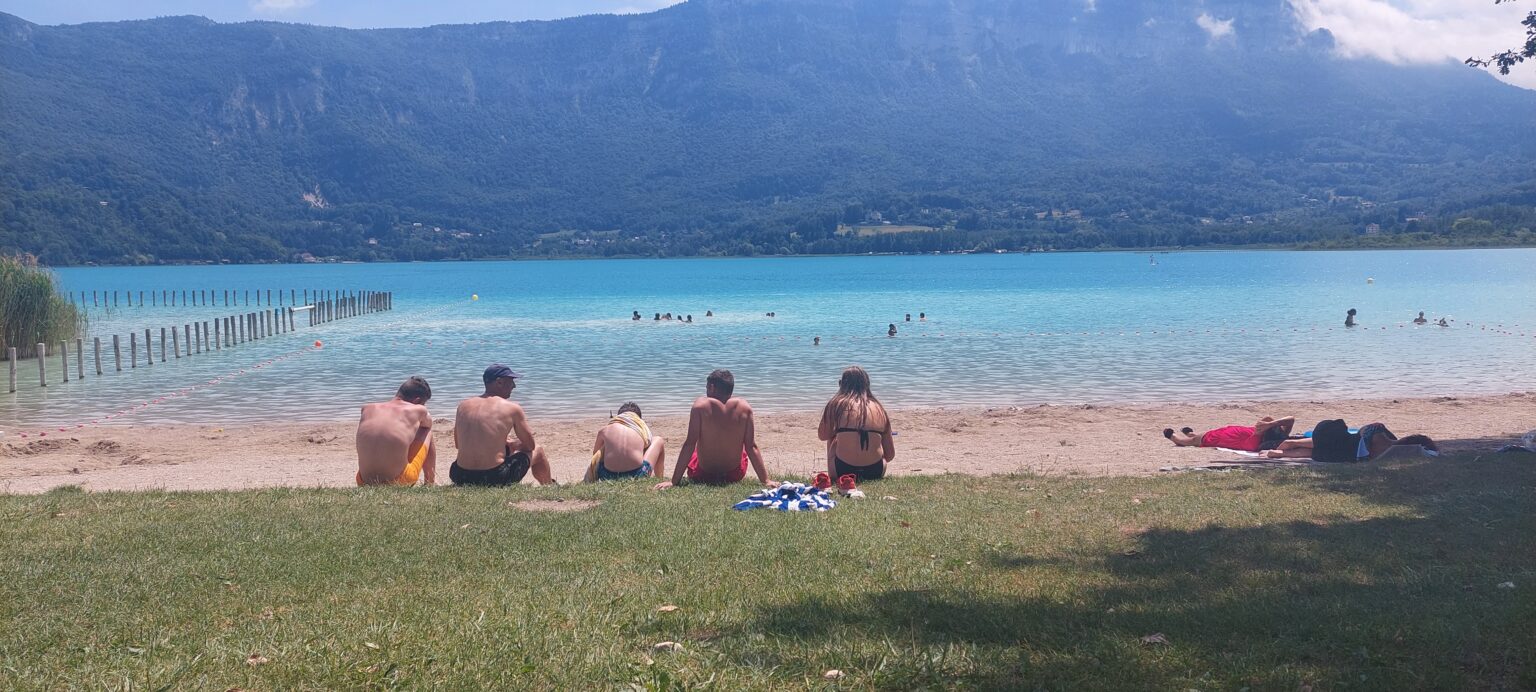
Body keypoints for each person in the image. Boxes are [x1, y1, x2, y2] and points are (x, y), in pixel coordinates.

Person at [655, 369, 773, 489]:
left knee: (695, 450)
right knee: (741, 448)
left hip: (702, 474)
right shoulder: (745, 408)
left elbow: (689, 444)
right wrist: (766, 480)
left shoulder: (700, 407)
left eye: (707, 388)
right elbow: (751, 447)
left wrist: (674, 481)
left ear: (711, 387)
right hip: (734, 475)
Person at [450, 365, 555, 486]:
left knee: (503, 450)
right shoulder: (512, 408)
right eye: (511, 382)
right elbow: (529, 446)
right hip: (494, 477)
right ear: (499, 382)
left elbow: (458, 445)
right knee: (538, 450)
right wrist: (513, 444)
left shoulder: (463, 406)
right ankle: (549, 486)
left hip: (459, 475)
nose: (514, 386)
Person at [818, 366, 895, 482]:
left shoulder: (836, 404)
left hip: (842, 471)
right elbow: (890, 455)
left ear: (841, 384)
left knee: (832, 436)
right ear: (867, 385)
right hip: (875, 471)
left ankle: (833, 476)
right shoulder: (879, 408)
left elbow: (823, 435)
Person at [355, 376, 436, 486]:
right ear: (417, 401)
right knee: (426, 431)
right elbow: (428, 424)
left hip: (362, 481)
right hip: (399, 480)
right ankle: (430, 482)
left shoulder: (367, 408)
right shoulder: (418, 409)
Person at [1260, 420, 1438, 461]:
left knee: (1311, 447)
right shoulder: (1385, 442)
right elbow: (1431, 454)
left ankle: (1283, 449)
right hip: (1342, 445)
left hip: (1343, 445)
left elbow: (1365, 429)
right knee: (1309, 448)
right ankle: (1281, 450)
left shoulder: (1384, 442)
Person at [584, 402, 665, 482]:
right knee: (658, 440)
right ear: (638, 418)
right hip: (638, 475)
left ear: (618, 417)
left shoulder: (604, 430)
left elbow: (596, 455)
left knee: (605, 447)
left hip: (606, 475)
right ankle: (659, 478)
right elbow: (647, 443)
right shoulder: (641, 429)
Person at [1164, 416, 1295, 452]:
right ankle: (1191, 434)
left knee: (1192, 442)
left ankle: (1176, 438)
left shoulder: (1254, 443)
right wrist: (1271, 425)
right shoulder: (1279, 433)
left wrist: (1269, 424)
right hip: (1228, 431)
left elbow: (1266, 419)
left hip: (1218, 438)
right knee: (1201, 435)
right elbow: (1291, 419)